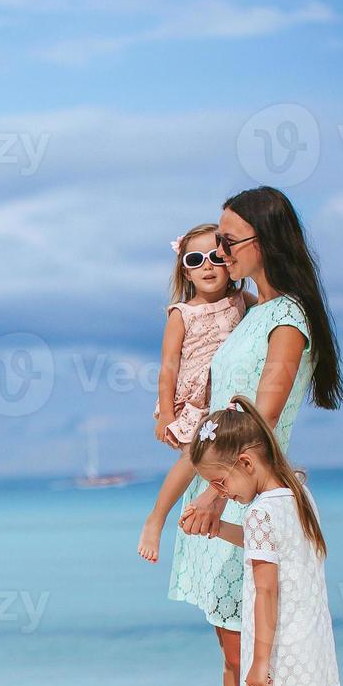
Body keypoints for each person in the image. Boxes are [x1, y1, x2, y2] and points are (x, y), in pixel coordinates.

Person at [167, 186, 343, 686]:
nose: (220, 251)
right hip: (225, 484)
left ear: (262, 241)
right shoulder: (249, 314)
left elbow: (263, 418)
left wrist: (220, 499)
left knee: (255, 651)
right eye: (215, 242)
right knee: (236, 645)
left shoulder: (287, 320)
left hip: (251, 494)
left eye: (229, 240)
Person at [150, 396, 343, 686]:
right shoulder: (296, 492)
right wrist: (221, 529)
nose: (224, 492)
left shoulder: (260, 510)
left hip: (275, 649)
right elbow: (273, 549)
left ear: (245, 461)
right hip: (306, 643)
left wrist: (258, 661)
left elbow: (266, 591)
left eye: (221, 483)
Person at [138, 222, 250, 563]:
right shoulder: (181, 313)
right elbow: (168, 366)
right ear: (185, 272)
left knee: (230, 459)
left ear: (230, 263)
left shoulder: (242, 300)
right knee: (193, 459)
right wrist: (168, 416)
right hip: (194, 402)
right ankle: (156, 519)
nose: (206, 265)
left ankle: (215, 519)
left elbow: (271, 314)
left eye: (215, 256)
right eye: (195, 259)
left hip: (229, 399)